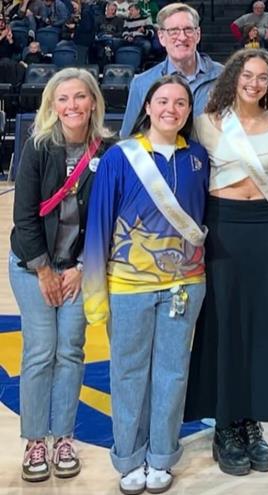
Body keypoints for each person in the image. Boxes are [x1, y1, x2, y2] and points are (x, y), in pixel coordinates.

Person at [82, 74, 209, 495]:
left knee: (172, 373)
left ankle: (162, 455)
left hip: (185, 284)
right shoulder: (120, 157)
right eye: (163, 101)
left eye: (180, 103)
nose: (171, 109)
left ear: (188, 111)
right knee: (128, 373)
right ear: (148, 107)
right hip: (128, 285)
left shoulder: (199, 157)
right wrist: (95, 292)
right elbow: (99, 223)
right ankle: (128, 457)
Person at [182, 48, 268, 477]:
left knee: (260, 323)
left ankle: (252, 420)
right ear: (234, 76)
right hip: (222, 226)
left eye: (263, 77)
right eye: (248, 75)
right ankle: (225, 423)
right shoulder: (206, 122)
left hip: (266, 229)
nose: (255, 83)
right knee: (223, 322)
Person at [10, 67, 113, 483]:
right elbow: (24, 217)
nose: (72, 105)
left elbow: (108, 217)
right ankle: (36, 440)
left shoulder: (108, 149)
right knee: (40, 350)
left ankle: (64, 437)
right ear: (52, 105)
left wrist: (82, 267)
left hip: (79, 267)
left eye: (80, 96)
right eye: (63, 98)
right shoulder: (38, 146)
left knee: (70, 350)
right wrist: (44, 271)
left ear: (93, 102)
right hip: (31, 265)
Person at [120, 3, 223, 137]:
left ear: (198, 35)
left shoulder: (224, 77)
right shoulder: (141, 84)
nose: (182, 37)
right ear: (161, 37)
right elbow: (129, 140)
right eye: (174, 31)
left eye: (188, 30)